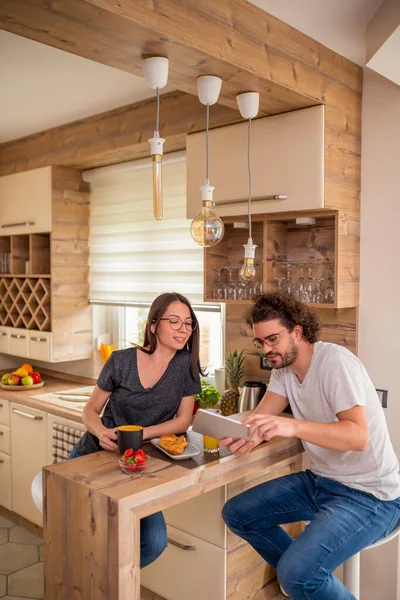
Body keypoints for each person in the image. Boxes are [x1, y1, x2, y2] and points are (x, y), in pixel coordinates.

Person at [221, 292, 400, 600]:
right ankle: (305, 577)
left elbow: (358, 437)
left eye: (273, 339)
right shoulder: (282, 369)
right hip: (320, 482)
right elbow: (262, 417)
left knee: (296, 576)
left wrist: (293, 425)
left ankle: (302, 576)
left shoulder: (334, 362)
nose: (267, 350)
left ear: (298, 331)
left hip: (372, 497)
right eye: (260, 342)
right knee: (237, 513)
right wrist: (245, 436)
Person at [69, 292, 203, 568]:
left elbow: (183, 421)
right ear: (153, 325)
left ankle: (106, 582)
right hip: (95, 456)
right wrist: (100, 432)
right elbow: (90, 411)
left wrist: (142, 434)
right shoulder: (121, 360)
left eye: (188, 323)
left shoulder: (185, 365)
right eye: (174, 321)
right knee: (82, 532)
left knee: (153, 542)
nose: (183, 329)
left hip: (140, 465)